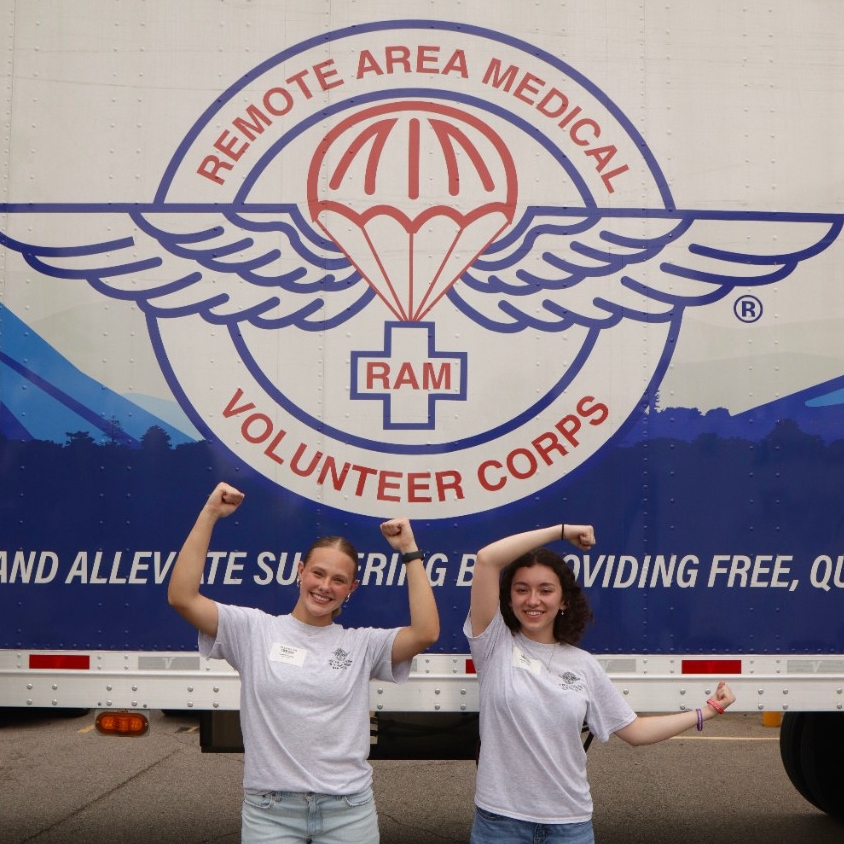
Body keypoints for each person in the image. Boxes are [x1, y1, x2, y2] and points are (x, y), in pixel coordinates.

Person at [168, 481, 439, 844]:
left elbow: (425, 632)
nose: (325, 586)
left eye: (339, 580)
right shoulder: (253, 630)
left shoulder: (361, 644)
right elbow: (182, 598)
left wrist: (409, 550)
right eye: (318, 573)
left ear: (351, 589)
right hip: (271, 812)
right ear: (300, 570)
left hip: (348, 810)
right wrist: (210, 514)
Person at [465, 521, 736, 844]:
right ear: (509, 599)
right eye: (522, 589)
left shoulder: (583, 665)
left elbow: (635, 731)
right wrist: (562, 532)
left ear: (563, 601)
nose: (533, 600)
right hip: (500, 823)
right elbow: (487, 560)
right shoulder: (494, 644)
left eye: (546, 590)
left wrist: (707, 711)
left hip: (569, 825)